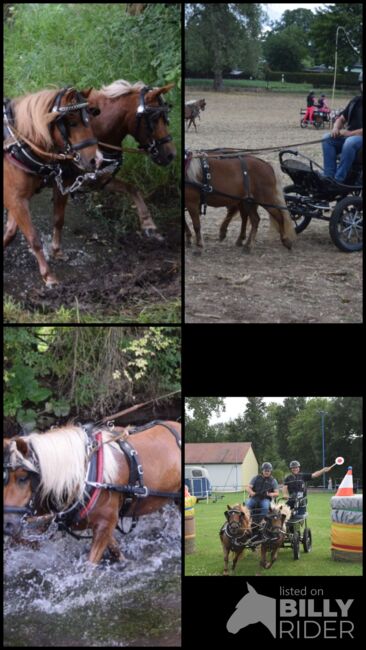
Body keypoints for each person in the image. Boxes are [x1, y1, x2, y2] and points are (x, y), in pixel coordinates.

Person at [321, 71, 363, 183]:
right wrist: (335, 128)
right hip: (351, 137)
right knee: (326, 138)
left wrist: (348, 133)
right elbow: (341, 118)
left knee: (350, 142)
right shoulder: (355, 101)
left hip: (357, 139)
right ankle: (328, 176)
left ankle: (339, 179)